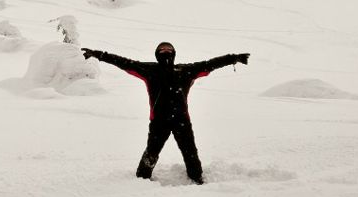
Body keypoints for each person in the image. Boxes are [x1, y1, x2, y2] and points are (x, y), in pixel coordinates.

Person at [81, 42, 248, 184]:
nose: (166, 52)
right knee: (151, 152)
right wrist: (99, 54)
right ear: (157, 54)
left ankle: (196, 178)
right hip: (159, 121)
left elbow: (210, 63)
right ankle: (141, 180)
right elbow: (124, 62)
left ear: (174, 53)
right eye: (162, 50)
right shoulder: (149, 70)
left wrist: (234, 58)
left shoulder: (186, 70)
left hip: (182, 120)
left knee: (190, 151)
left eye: (169, 49)